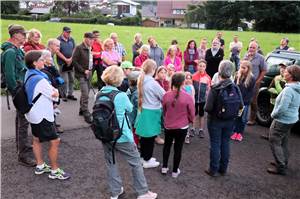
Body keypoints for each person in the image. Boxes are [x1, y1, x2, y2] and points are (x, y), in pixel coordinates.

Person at [98, 65, 158, 199]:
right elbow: (130, 109)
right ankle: (143, 192)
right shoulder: (120, 96)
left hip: (105, 135)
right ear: (119, 79)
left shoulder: (99, 93)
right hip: (122, 135)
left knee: (111, 163)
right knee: (136, 162)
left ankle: (115, 192)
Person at [24, 50, 70, 180]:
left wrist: (54, 92)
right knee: (55, 141)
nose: (44, 61)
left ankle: (40, 165)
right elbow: (54, 95)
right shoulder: (41, 79)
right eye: (41, 60)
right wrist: (55, 92)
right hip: (43, 115)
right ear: (35, 63)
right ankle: (55, 171)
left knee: (36, 139)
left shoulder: (28, 73)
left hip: (33, 114)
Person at [1, 24, 36, 167]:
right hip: (19, 90)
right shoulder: (10, 52)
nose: (25, 36)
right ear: (15, 35)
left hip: (22, 88)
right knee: (23, 122)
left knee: (22, 120)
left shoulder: (16, 50)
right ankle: (23, 155)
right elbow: (10, 75)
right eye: (23, 34)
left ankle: (22, 147)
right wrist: (17, 92)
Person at [204, 60, 243, 177]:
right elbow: (241, 105)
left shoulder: (215, 88)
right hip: (230, 120)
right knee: (225, 143)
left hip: (215, 120)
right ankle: (223, 169)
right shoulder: (235, 88)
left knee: (215, 144)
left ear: (219, 71)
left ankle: (213, 169)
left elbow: (207, 107)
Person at [267, 65, 300, 175]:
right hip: (292, 119)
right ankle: (283, 160)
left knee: (274, 140)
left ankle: (281, 166)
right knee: (284, 141)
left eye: (286, 72)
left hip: (282, 120)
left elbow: (282, 108)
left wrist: (273, 115)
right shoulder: (297, 87)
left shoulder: (288, 90)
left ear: (291, 76)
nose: (283, 73)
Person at [161, 72, 195, 178]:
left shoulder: (166, 95)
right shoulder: (188, 97)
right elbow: (192, 113)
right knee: (178, 148)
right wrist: (189, 120)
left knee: (167, 146)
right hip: (182, 127)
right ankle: (175, 171)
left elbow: (164, 110)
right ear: (183, 82)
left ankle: (164, 167)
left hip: (169, 126)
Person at [135, 59, 165, 169]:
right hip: (152, 112)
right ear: (153, 69)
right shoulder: (152, 82)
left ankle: (143, 157)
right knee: (150, 137)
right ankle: (147, 160)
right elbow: (163, 96)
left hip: (143, 110)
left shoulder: (141, 79)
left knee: (144, 137)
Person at [72, 32, 95, 124]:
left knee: (87, 92)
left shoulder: (90, 48)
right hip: (81, 74)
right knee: (85, 93)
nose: (92, 41)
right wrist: (83, 70)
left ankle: (82, 109)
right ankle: (86, 111)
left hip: (89, 73)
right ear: (85, 38)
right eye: (90, 39)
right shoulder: (79, 48)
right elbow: (74, 61)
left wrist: (89, 70)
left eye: (93, 39)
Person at [231, 60, 256, 142]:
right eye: (240, 67)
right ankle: (234, 131)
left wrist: (244, 102)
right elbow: (234, 88)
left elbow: (250, 92)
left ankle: (240, 132)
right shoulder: (237, 75)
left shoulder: (251, 78)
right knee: (236, 117)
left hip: (244, 102)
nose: (241, 69)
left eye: (243, 68)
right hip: (236, 101)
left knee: (242, 118)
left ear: (248, 69)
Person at [244, 41, 267, 125]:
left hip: (255, 82)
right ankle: (241, 116)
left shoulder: (260, 58)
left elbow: (264, 70)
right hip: (244, 81)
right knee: (243, 99)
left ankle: (252, 119)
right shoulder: (245, 56)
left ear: (257, 49)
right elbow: (242, 66)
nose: (251, 49)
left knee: (253, 101)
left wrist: (258, 81)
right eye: (250, 47)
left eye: (254, 48)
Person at [56, 26, 77, 102]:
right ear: (63, 32)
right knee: (64, 80)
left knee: (72, 79)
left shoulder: (71, 39)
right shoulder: (58, 40)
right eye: (67, 32)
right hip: (62, 63)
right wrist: (65, 59)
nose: (68, 33)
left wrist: (71, 59)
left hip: (71, 62)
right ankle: (63, 94)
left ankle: (70, 94)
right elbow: (57, 51)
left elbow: (74, 49)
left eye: (69, 32)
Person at [192, 60, 211, 138]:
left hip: (203, 99)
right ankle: (193, 128)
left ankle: (201, 130)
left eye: (203, 66)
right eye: (200, 66)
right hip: (194, 99)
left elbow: (209, 89)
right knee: (194, 114)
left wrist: (207, 98)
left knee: (202, 115)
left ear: (205, 67)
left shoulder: (208, 78)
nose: (201, 68)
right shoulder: (193, 76)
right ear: (197, 66)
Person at [126, 71, 141, 145]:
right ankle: (134, 147)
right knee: (135, 134)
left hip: (129, 116)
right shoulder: (138, 93)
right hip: (135, 118)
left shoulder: (129, 90)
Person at [183, 72, 195, 144]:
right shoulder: (182, 87)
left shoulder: (191, 87)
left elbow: (193, 97)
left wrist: (192, 106)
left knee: (187, 121)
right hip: (182, 107)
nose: (188, 80)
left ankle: (186, 135)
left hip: (189, 106)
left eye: (189, 78)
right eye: (186, 78)